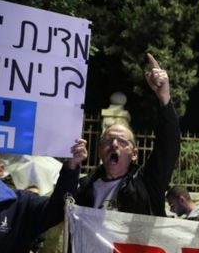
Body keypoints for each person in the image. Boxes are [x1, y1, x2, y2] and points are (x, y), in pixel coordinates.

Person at [75, 53, 180, 215]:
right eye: (108, 140)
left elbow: (168, 146)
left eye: (122, 141)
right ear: (100, 149)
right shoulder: (82, 188)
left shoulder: (147, 183)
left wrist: (164, 97)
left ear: (134, 154)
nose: (114, 144)